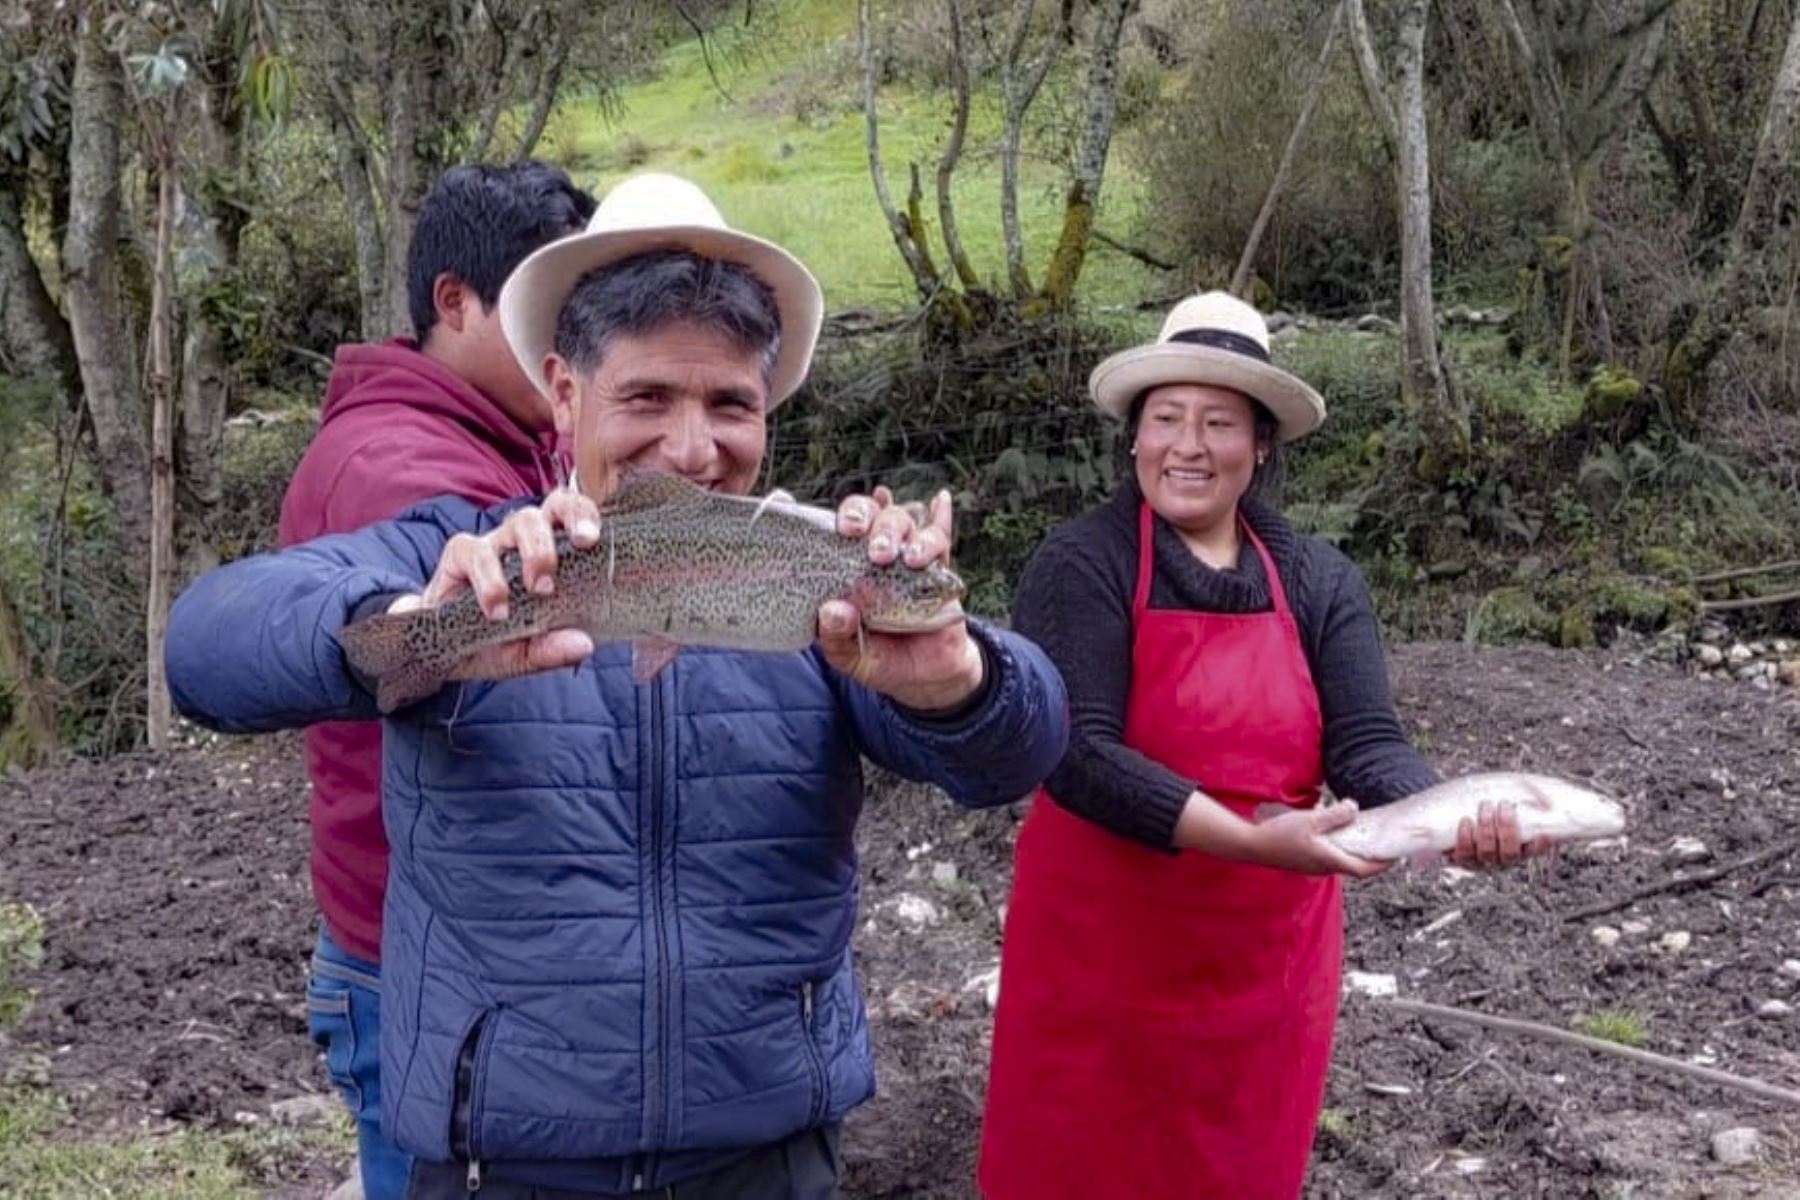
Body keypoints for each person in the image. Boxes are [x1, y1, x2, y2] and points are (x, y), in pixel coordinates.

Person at [168, 173, 1069, 1199]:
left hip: (766, 1156)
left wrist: (959, 681)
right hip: (501, 1163)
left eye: (730, 403)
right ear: (562, 391)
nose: (691, 448)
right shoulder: (461, 557)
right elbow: (204, 648)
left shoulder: (826, 576)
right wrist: (401, 631)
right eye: (646, 397)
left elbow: (1024, 744)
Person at [976, 292, 1544, 1199]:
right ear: (1134, 436)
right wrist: (1244, 839)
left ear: (1262, 444)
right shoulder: (1081, 564)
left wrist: (1451, 817)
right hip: (1098, 980)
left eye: (1218, 423)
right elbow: (1076, 754)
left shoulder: (1319, 578)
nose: (1187, 446)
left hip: (1262, 988)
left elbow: (1368, 748)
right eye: (1166, 419)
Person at [281, 161, 596, 1200]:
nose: (565, 347)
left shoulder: (507, 439)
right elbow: (552, 697)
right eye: (541, 307)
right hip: (414, 954)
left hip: (447, 930)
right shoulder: (406, 473)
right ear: (453, 303)